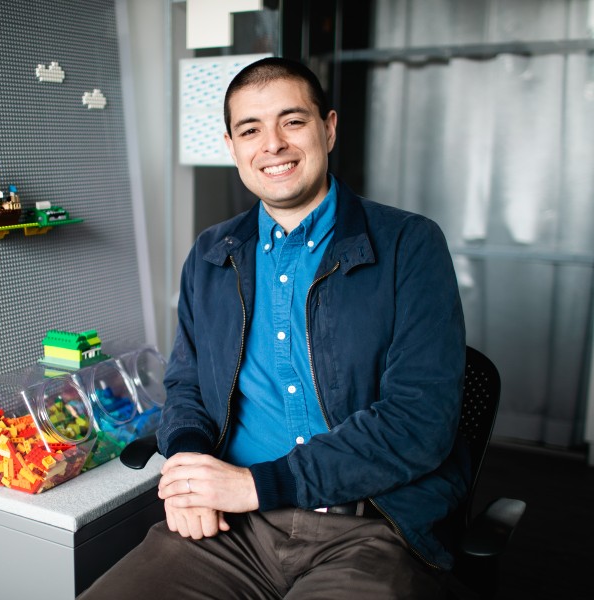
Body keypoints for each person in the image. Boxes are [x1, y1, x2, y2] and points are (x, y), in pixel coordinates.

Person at [79, 56, 467, 599]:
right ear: (232, 146)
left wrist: (255, 485)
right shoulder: (212, 253)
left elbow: (419, 420)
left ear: (328, 129)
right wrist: (191, 474)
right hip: (231, 530)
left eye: (293, 121)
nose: (273, 144)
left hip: (370, 526)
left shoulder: (409, 245)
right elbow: (187, 386)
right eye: (251, 129)